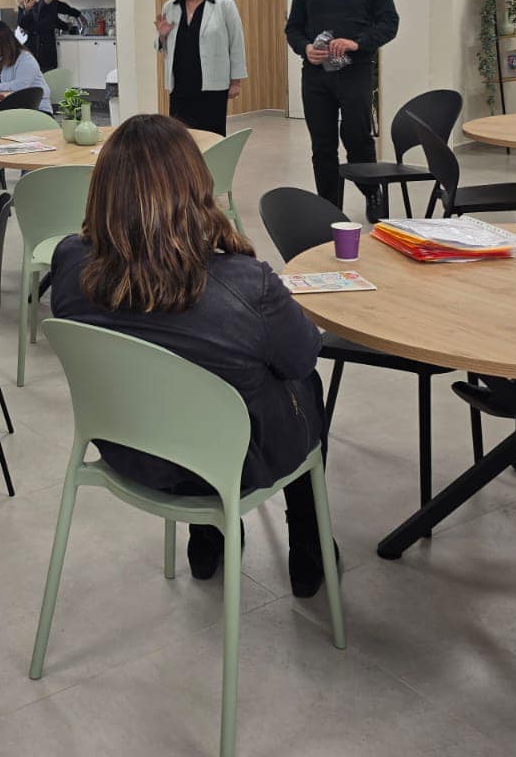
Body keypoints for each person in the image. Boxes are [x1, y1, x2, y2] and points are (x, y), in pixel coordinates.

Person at [49, 114, 333, 597]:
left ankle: (207, 543)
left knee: (187, 367)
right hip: (229, 463)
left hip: (129, 449)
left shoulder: (70, 264)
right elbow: (303, 356)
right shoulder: (247, 284)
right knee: (302, 382)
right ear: (195, 188)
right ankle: (309, 547)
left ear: (102, 190)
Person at [284, 0, 399, 208]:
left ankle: (372, 195)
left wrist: (357, 43)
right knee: (322, 145)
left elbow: (389, 23)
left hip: (355, 71)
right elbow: (293, 27)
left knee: (358, 138)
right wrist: (305, 48)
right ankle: (329, 207)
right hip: (316, 75)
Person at [154, 0, 246, 136]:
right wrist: (162, 35)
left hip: (212, 85)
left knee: (212, 135)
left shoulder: (224, 5)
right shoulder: (170, 7)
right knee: (181, 137)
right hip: (180, 85)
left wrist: (236, 82)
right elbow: (161, 46)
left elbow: (236, 43)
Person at [0, 20, 50, 112]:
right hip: (6, 107)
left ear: (4, 41)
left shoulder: (25, 58)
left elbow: (20, 86)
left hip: (35, 109)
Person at [19, 0, 83, 72]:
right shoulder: (30, 0)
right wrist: (67, 25)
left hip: (42, 50)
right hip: (36, 49)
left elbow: (57, 12)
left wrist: (74, 17)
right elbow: (53, 18)